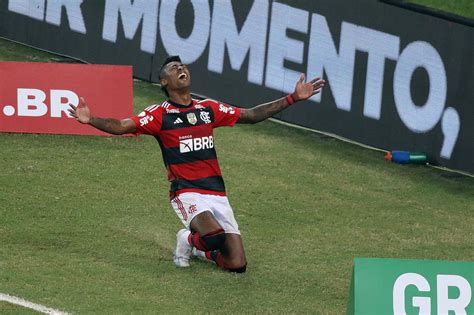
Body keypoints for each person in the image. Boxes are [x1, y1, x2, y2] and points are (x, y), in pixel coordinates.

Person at [68, 56, 325, 273]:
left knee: (237, 264)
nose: (181, 69)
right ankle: (187, 239)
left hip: (217, 192)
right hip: (186, 190)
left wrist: (292, 98)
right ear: (164, 82)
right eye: (173, 68)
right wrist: (92, 120)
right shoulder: (159, 114)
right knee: (214, 236)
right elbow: (122, 126)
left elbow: (252, 114)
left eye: (182, 66)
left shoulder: (207, 109)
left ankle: (201, 252)